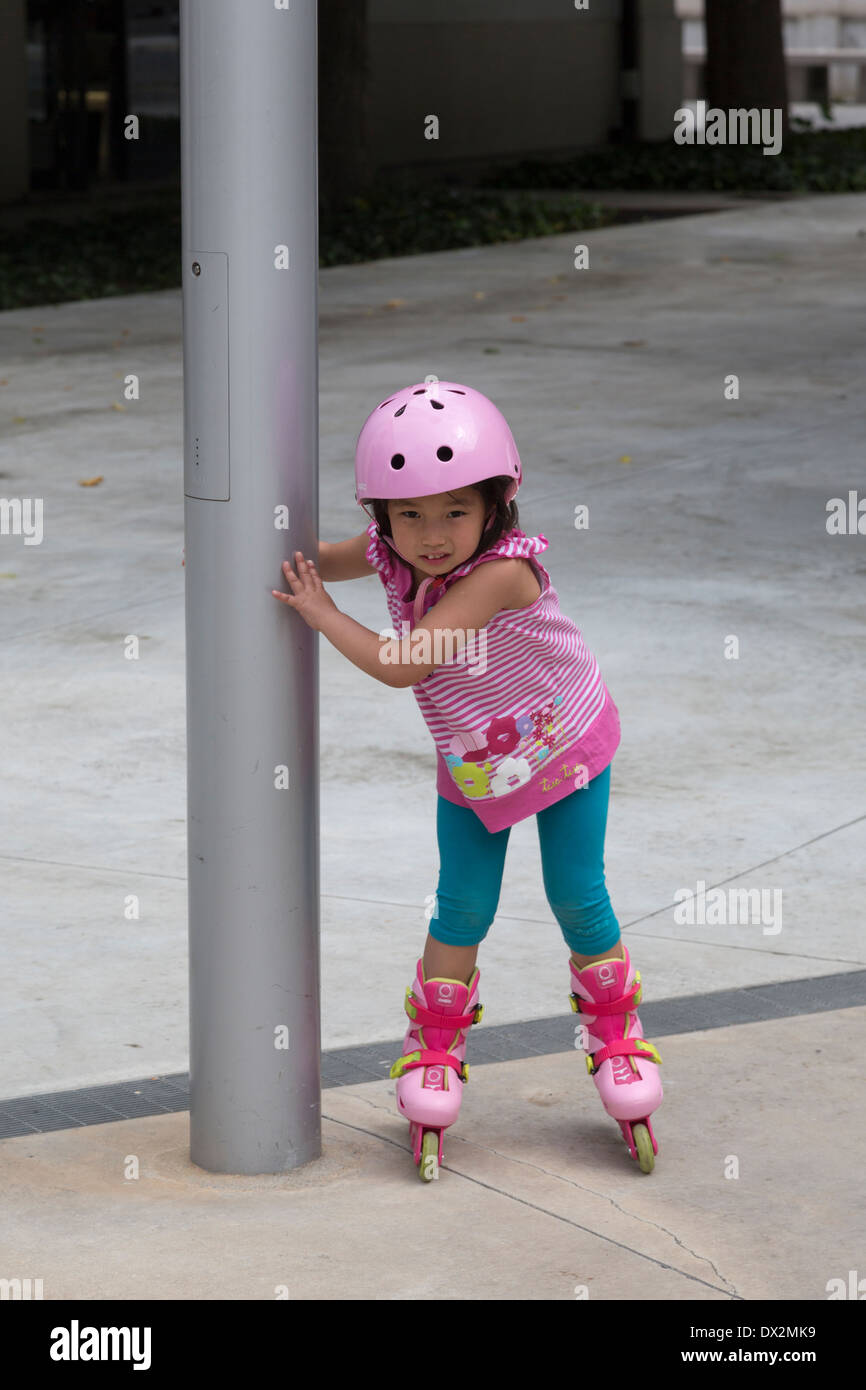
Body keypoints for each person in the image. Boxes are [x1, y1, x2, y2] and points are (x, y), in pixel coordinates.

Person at [272, 380, 662, 1180]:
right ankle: (434, 1052)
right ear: (383, 516)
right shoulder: (389, 550)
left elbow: (398, 663)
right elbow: (318, 560)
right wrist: (229, 554)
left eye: (454, 511)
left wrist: (321, 614)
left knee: (576, 894)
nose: (431, 535)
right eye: (408, 515)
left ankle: (617, 1035)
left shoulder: (502, 575)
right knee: (460, 906)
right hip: (475, 763)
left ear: (494, 505)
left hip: (566, 744)